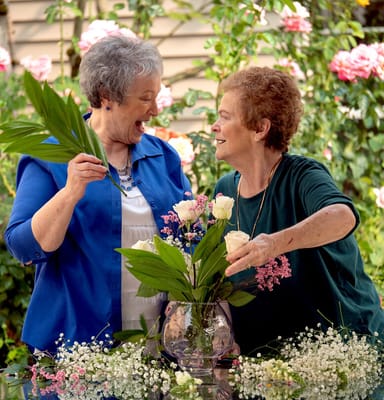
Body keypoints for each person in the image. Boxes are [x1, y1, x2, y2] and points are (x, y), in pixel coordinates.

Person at [4, 34, 192, 354]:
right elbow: (23, 246)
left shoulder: (163, 155)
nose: (154, 110)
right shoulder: (50, 157)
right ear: (107, 95)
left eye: (156, 97)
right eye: (146, 98)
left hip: (157, 348)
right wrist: (70, 192)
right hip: (77, 350)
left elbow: (192, 235)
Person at [212, 66, 384, 356]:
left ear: (260, 129)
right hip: (268, 364)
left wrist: (274, 244)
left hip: (342, 355)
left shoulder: (302, 175)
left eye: (225, 117)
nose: (214, 126)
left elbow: (342, 216)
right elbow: (220, 277)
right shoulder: (225, 191)